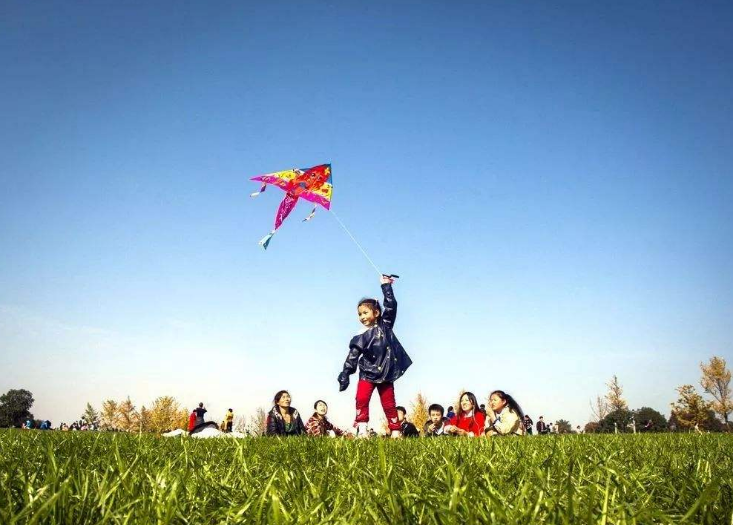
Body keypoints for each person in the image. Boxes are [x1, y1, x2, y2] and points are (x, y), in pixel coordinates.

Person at [337, 276, 413, 438]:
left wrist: (386, 286)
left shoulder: (384, 325)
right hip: (367, 373)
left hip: (386, 373)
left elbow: (391, 306)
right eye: (359, 314)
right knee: (361, 399)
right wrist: (345, 373)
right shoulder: (360, 335)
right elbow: (352, 357)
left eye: (365, 312)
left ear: (376, 312)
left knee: (389, 403)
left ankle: (395, 431)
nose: (362, 316)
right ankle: (362, 429)